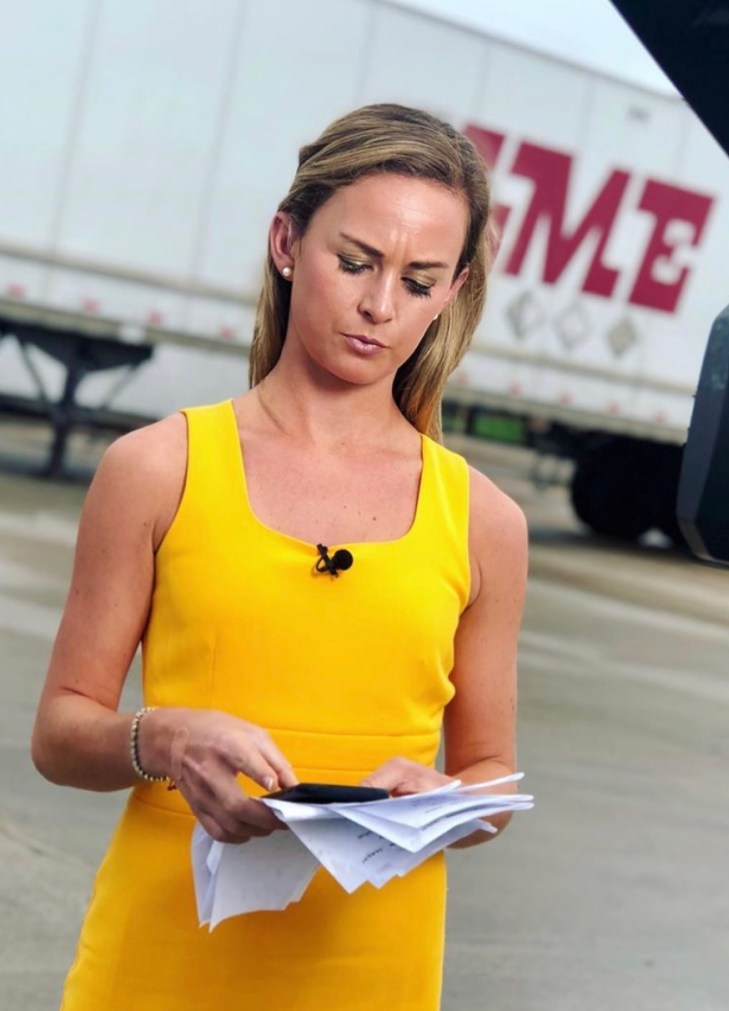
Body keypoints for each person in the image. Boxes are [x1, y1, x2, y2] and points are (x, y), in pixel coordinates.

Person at [31, 103, 527, 1011]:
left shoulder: (484, 519)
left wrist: (445, 797)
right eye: (356, 262)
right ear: (287, 242)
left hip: (373, 968)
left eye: (420, 281)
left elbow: (493, 773)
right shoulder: (159, 467)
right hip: (165, 955)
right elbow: (61, 734)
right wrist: (162, 736)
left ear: (452, 292)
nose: (381, 306)